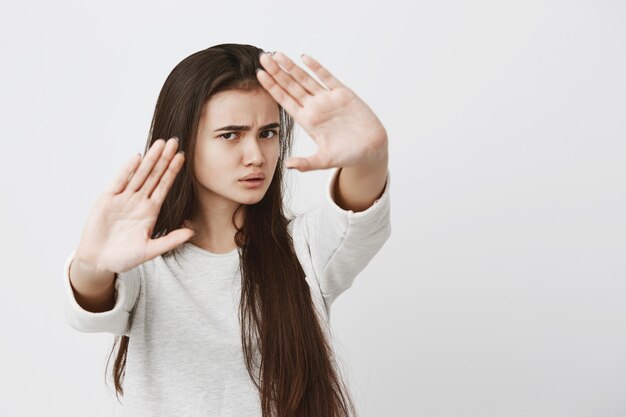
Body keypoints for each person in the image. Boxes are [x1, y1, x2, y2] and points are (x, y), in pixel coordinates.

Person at [62, 43, 391, 417]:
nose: (256, 155)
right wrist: (91, 264)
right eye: (230, 135)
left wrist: (371, 157)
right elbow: (88, 309)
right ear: (183, 140)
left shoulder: (305, 248)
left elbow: (359, 213)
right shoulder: (145, 258)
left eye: (268, 133)